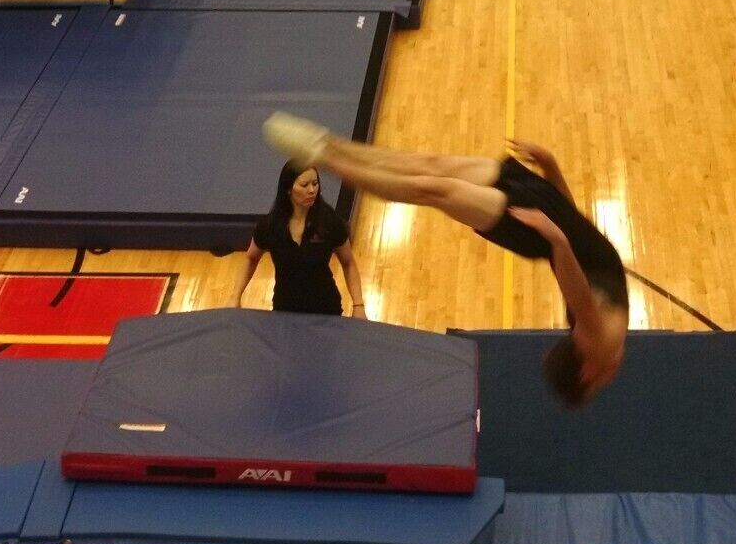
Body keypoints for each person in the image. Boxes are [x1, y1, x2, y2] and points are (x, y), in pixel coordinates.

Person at [263, 117, 626, 406]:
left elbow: (575, 280)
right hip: (550, 211)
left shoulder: (599, 347)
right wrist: (552, 169)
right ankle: (331, 143)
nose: (609, 379)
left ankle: (326, 160)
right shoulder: (599, 349)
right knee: (429, 165)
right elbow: (576, 230)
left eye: (597, 386)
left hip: (540, 232)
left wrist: (556, 239)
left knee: (432, 188)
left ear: (586, 372)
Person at [233, 162, 367, 318]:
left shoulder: (329, 221)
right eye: (304, 185)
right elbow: (251, 257)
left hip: (326, 309)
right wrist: (235, 296)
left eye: (315, 184)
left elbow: (348, 262)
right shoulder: (270, 225)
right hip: (285, 309)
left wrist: (358, 305)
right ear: (288, 189)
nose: (312, 190)